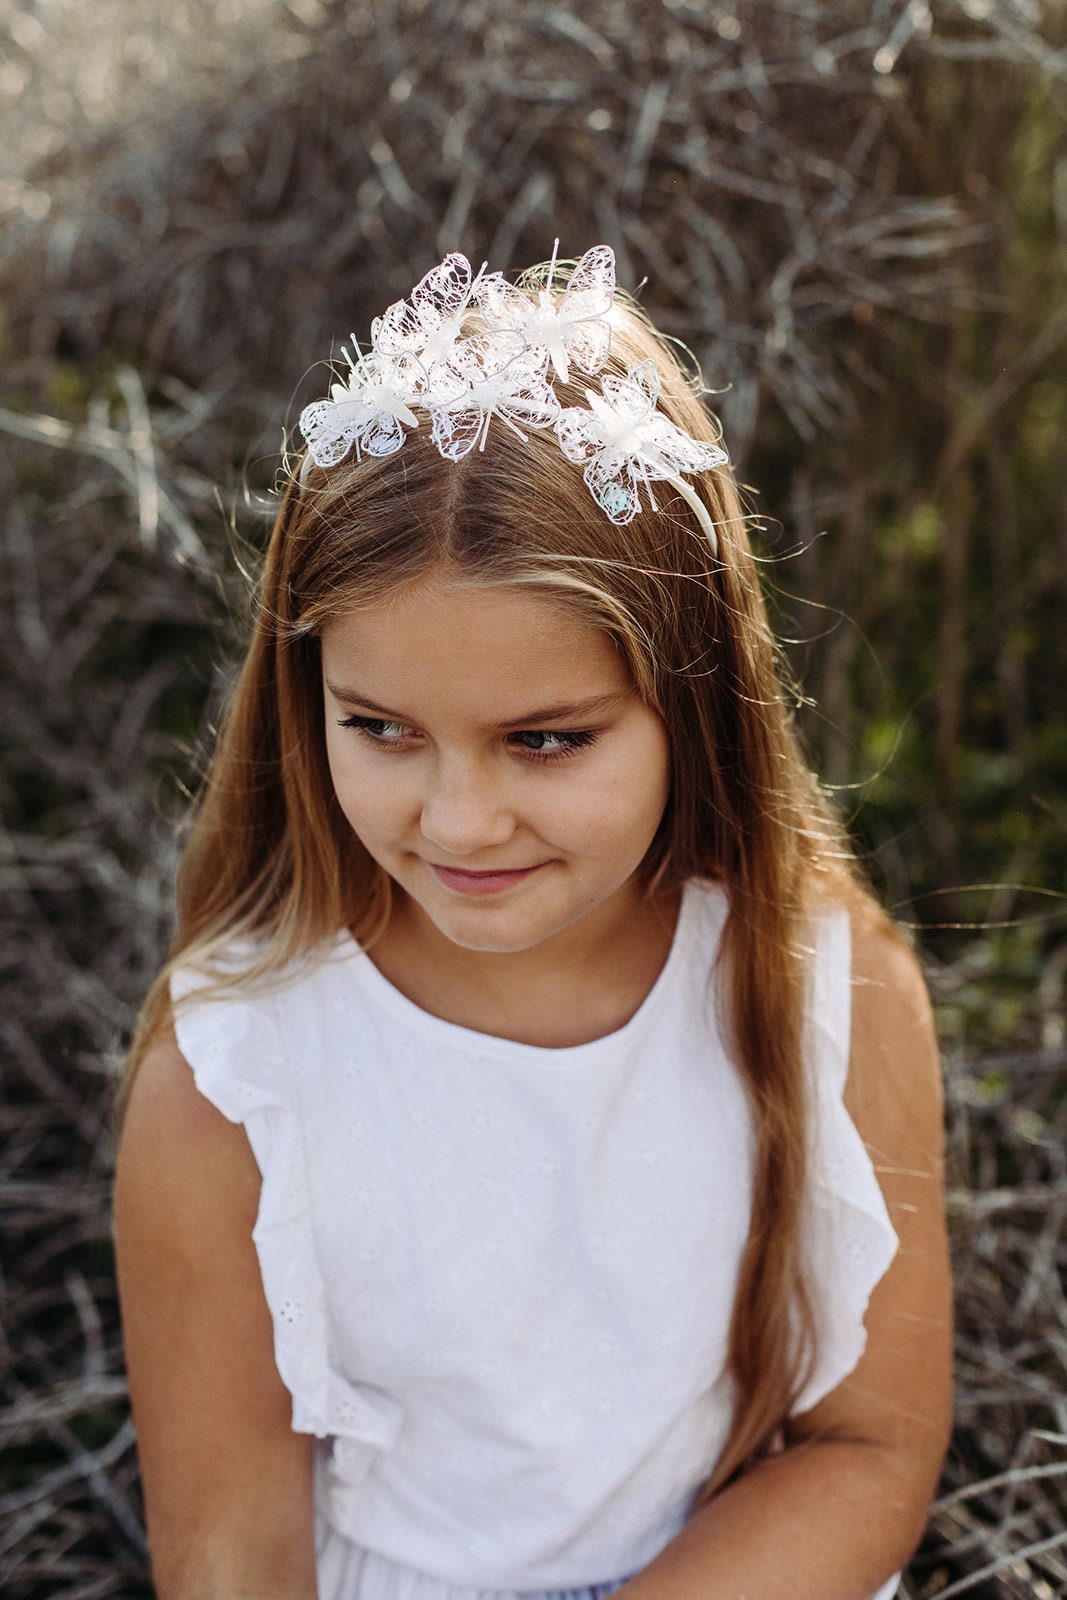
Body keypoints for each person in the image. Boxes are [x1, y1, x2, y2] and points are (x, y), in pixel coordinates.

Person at [114, 246, 953, 1600]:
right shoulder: (234, 1078)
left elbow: (868, 1445)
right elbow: (230, 1558)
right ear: (304, 693)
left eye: (546, 741)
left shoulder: (824, 988)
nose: (458, 824)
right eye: (380, 729)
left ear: (691, 701)